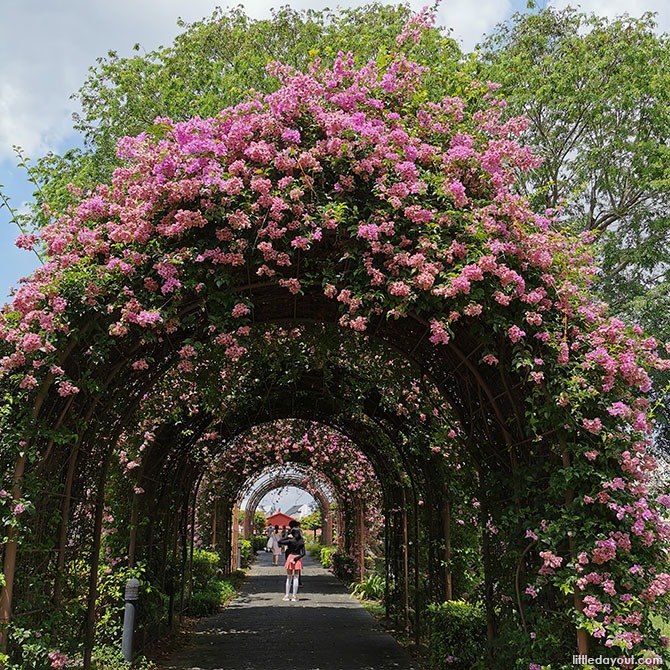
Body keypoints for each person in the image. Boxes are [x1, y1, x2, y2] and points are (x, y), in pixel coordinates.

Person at [278, 527, 305, 602]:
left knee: (289, 577)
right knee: (296, 577)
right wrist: (296, 559)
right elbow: (303, 553)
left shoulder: (290, 541)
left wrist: (287, 536)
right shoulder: (301, 542)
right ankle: (294, 596)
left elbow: (280, 541)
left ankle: (286, 595)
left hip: (290, 557)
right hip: (297, 558)